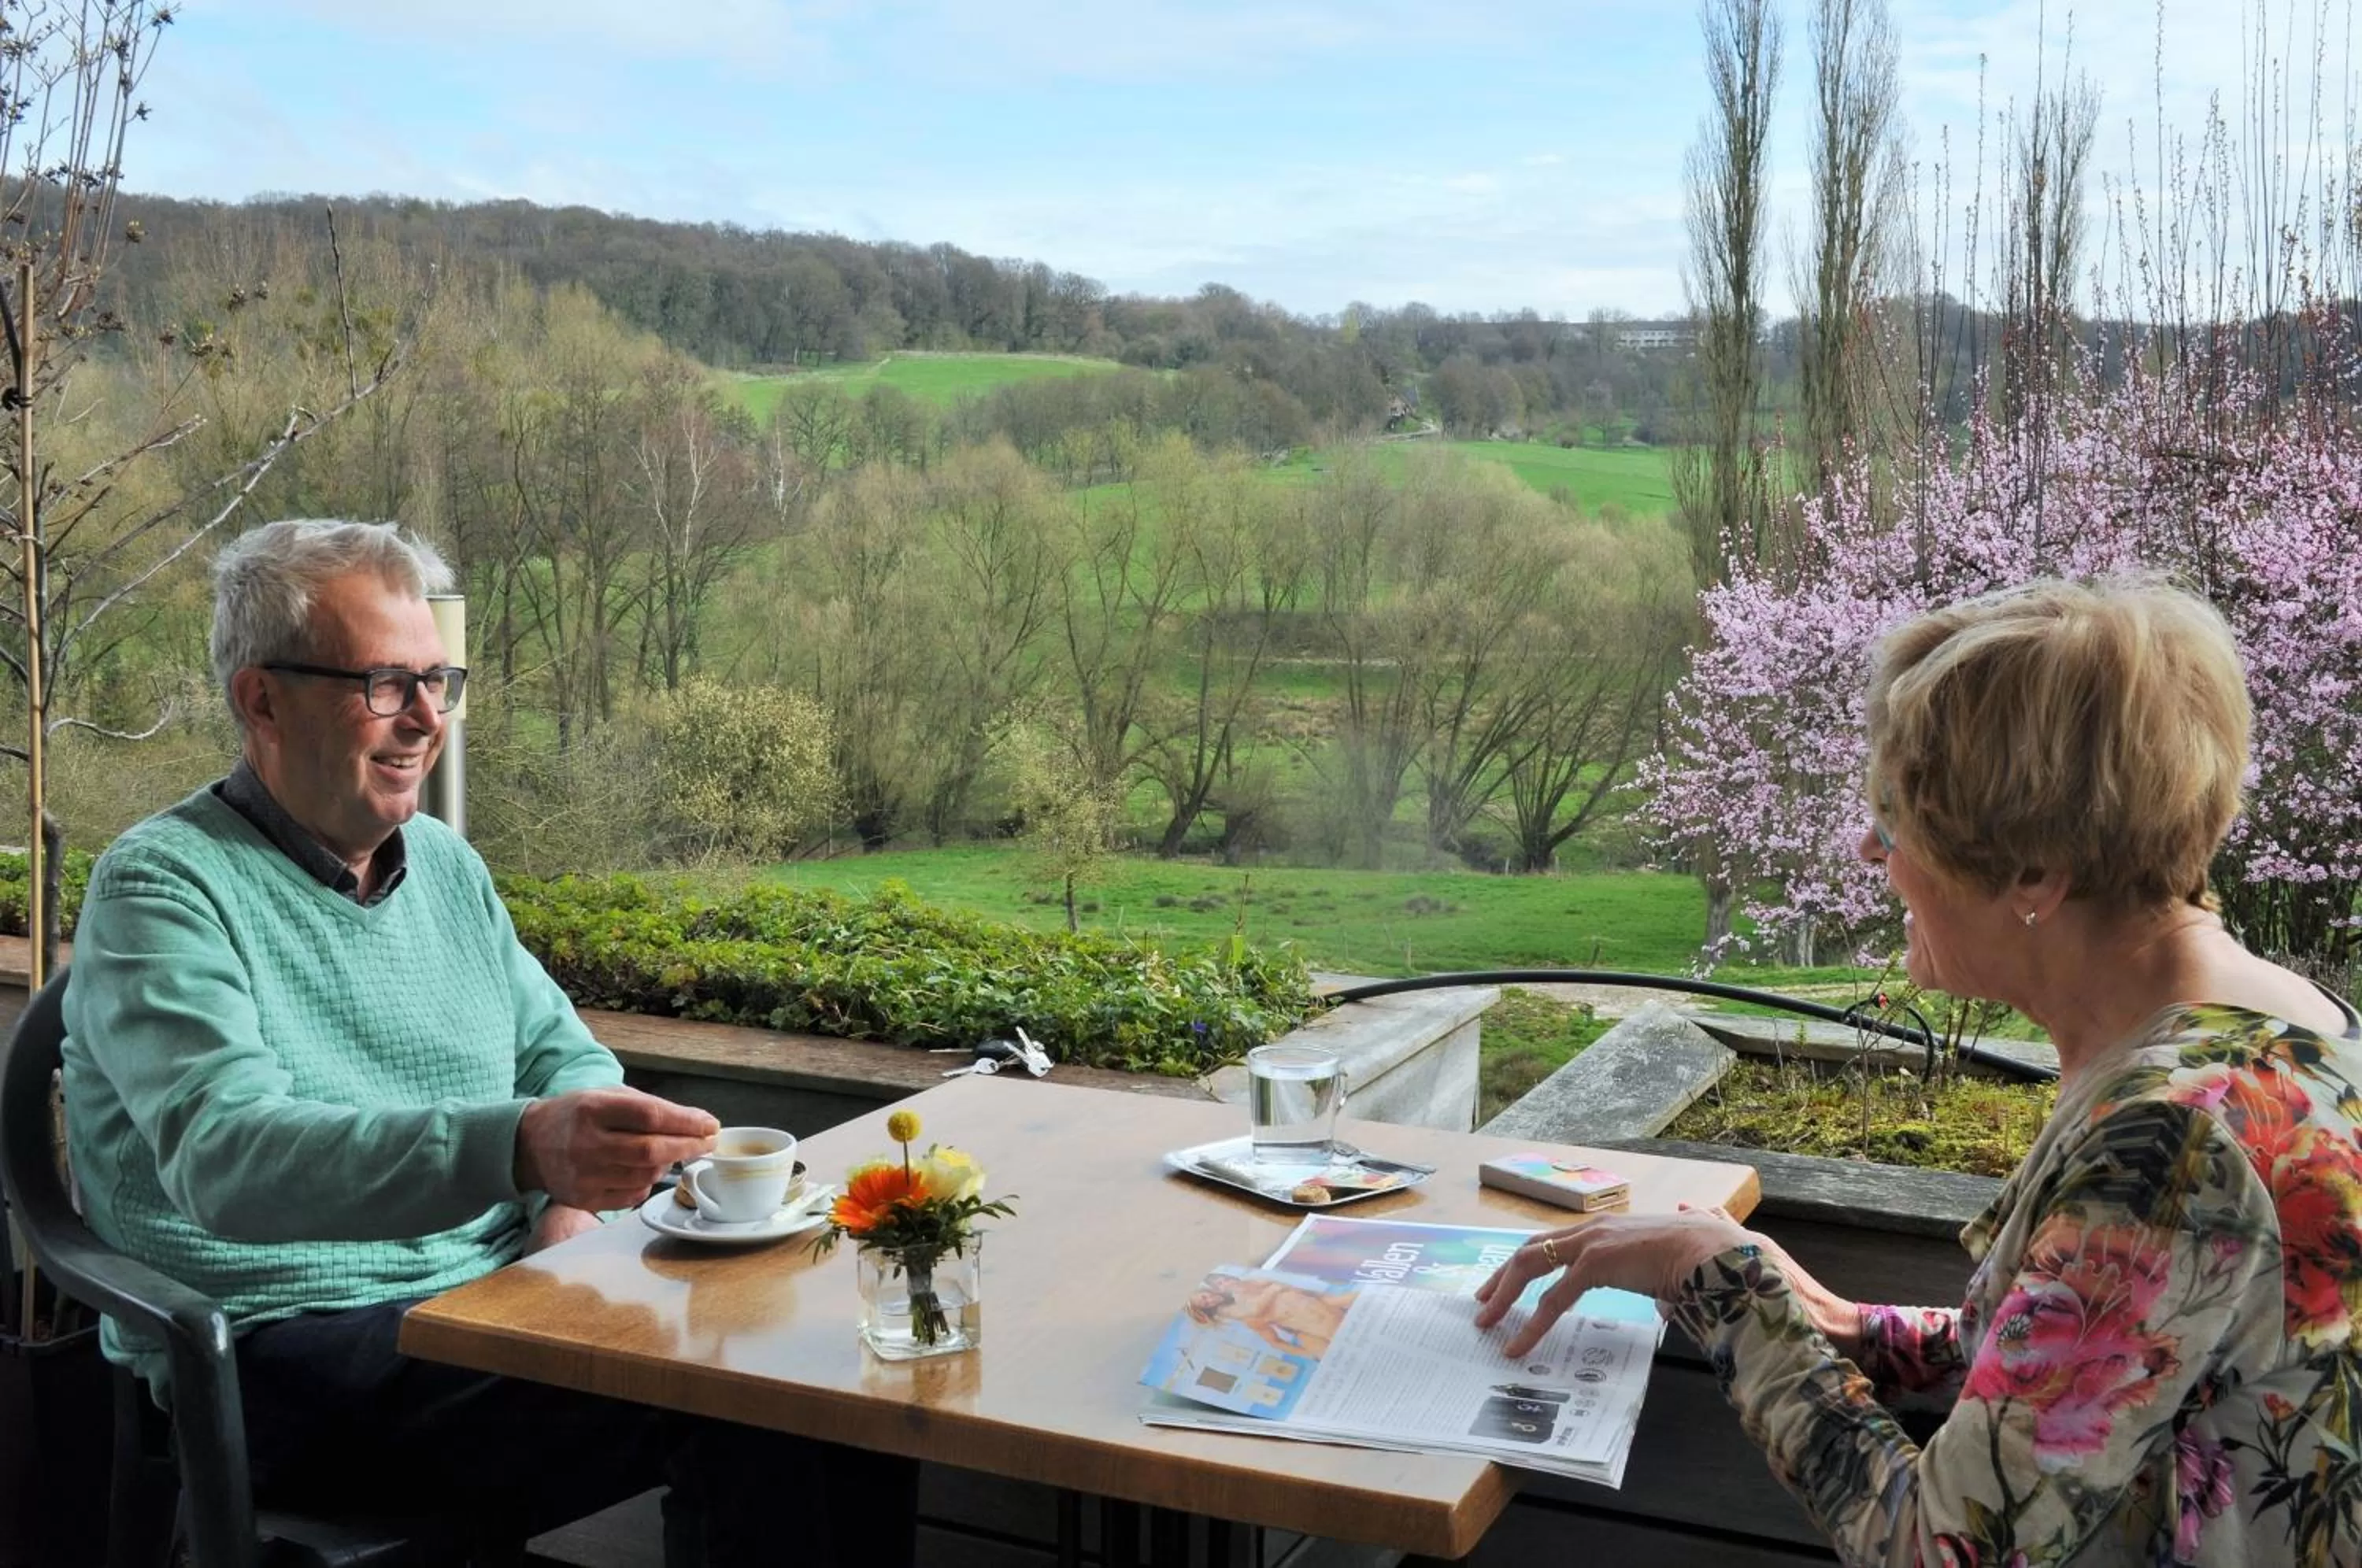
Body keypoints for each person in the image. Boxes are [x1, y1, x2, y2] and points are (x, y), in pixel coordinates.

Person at [60, 519, 916, 1566]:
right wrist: (520, 1149)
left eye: (438, 681)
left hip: (481, 1300)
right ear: (262, 699)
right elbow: (224, 1156)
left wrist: (568, 1201)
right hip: (279, 1343)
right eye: (382, 683)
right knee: (740, 1392)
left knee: (849, 1353)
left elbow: (565, 1065)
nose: (425, 719)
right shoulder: (165, 887)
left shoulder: (444, 867)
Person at [1474, 577, 2362, 1566]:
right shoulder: (2288, 1028)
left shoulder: (2175, 1144)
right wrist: (1843, 1322)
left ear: (2033, 874)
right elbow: (2104, 1368)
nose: (1870, 851)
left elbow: (1934, 1546)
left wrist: (1711, 1280)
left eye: (1897, 823)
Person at [1185, 1271, 1355, 1358]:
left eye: (1205, 1296)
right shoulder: (1242, 1314)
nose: (1210, 1299)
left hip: (1325, 1309)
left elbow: (1310, 1293)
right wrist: (1307, 1353)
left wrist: (1335, 1300)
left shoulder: (1258, 1281)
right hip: (1317, 1328)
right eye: (1205, 1303)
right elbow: (1272, 1337)